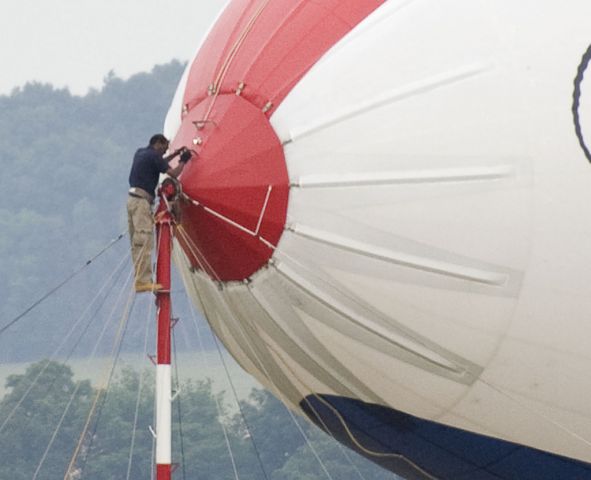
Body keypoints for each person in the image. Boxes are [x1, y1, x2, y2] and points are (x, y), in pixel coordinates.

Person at [127, 133, 192, 292]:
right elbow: (173, 173)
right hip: (141, 203)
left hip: (132, 201)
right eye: (164, 148)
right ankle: (143, 281)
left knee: (137, 242)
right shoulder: (154, 156)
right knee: (145, 239)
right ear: (158, 143)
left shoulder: (142, 153)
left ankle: (140, 278)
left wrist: (175, 154)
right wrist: (183, 160)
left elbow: (160, 164)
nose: (164, 152)